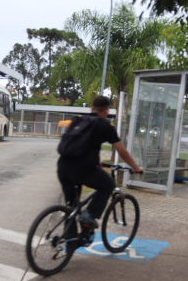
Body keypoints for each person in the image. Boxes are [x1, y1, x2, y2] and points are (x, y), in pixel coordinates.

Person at [57, 96, 143, 229]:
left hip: (62, 167)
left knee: (72, 207)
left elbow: (77, 146)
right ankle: (89, 215)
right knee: (108, 185)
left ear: (92, 107)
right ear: (106, 110)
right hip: (82, 169)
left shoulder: (77, 120)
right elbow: (123, 152)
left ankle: (70, 241)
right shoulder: (105, 126)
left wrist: (95, 160)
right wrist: (136, 167)